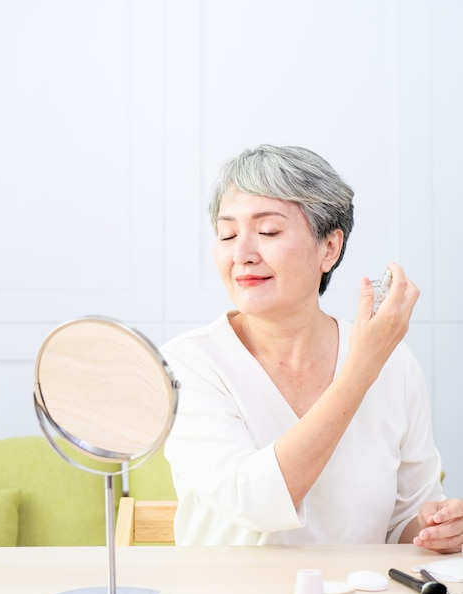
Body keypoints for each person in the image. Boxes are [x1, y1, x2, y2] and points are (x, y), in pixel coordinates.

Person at [161, 144, 463, 552]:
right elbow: (255, 502)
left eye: (267, 231)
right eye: (227, 233)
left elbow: (405, 521)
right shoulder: (188, 364)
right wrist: (360, 371)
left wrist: (435, 529)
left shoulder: (395, 366)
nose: (242, 254)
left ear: (329, 248)